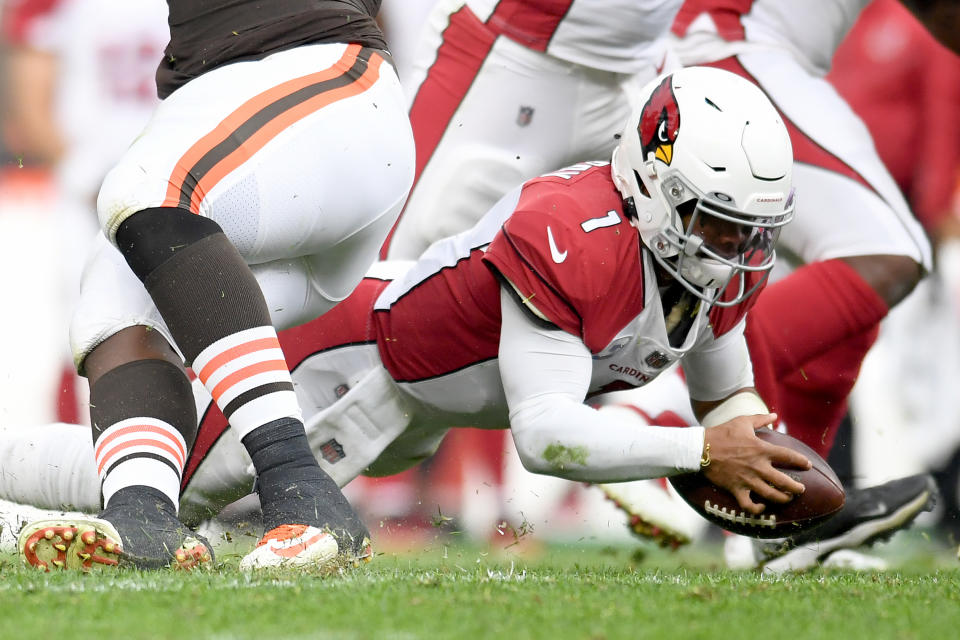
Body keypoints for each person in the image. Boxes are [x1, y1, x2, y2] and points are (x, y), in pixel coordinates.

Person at [9, 67, 809, 568]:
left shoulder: (718, 268)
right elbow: (546, 434)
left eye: (749, 231)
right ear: (654, 185)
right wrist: (701, 450)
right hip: (349, 363)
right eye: (715, 223)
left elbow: (727, 400)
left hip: (409, 410)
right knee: (164, 492)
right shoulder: (575, 233)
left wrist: (757, 460)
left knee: (197, 523)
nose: (733, 249)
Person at [17, 0, 416, 571]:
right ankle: (142, 514)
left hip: (320, 80)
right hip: (229, 115)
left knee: (148, 192)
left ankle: (299, 484)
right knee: (113, 286)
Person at [664, 0, 946, 570]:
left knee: (848, 309)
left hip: (730, 51)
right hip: (733, 46)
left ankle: (793, 526)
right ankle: (655, 426)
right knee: (888, 252)